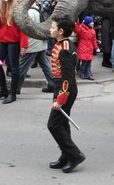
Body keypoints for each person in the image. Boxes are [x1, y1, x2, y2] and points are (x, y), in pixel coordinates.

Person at [47, 17, 85, 173]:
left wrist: (60, 100)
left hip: (65, 89)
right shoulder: (64, 44)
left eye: (53, 27)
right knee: (62, 124)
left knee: (53, 125)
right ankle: (65, 156)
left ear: (61, 31)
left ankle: (75, 155)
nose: (50, 29)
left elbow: (68, 78)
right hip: (62, 87)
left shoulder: (64, 49)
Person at [18, 0, 56, 93]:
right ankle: (53, 84)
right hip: (40, 43)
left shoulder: (29, 12)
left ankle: (15, 88)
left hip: (32, 44)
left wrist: (24, 45)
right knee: (45, 65)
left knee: (22, 67)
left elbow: (27, 29)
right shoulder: (37, 10)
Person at [74, 15, 98, 80]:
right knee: (84, 63)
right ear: (87, 23)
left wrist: (96, 48)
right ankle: (82, 73)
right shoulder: (81, 28)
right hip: (83, 49)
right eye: (91, 22)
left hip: (89, 49)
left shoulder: (93, 31)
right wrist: (78, 24)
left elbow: (94, 40)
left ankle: (88, 74)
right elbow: (77, 30)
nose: (93, 23)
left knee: (89, 63)